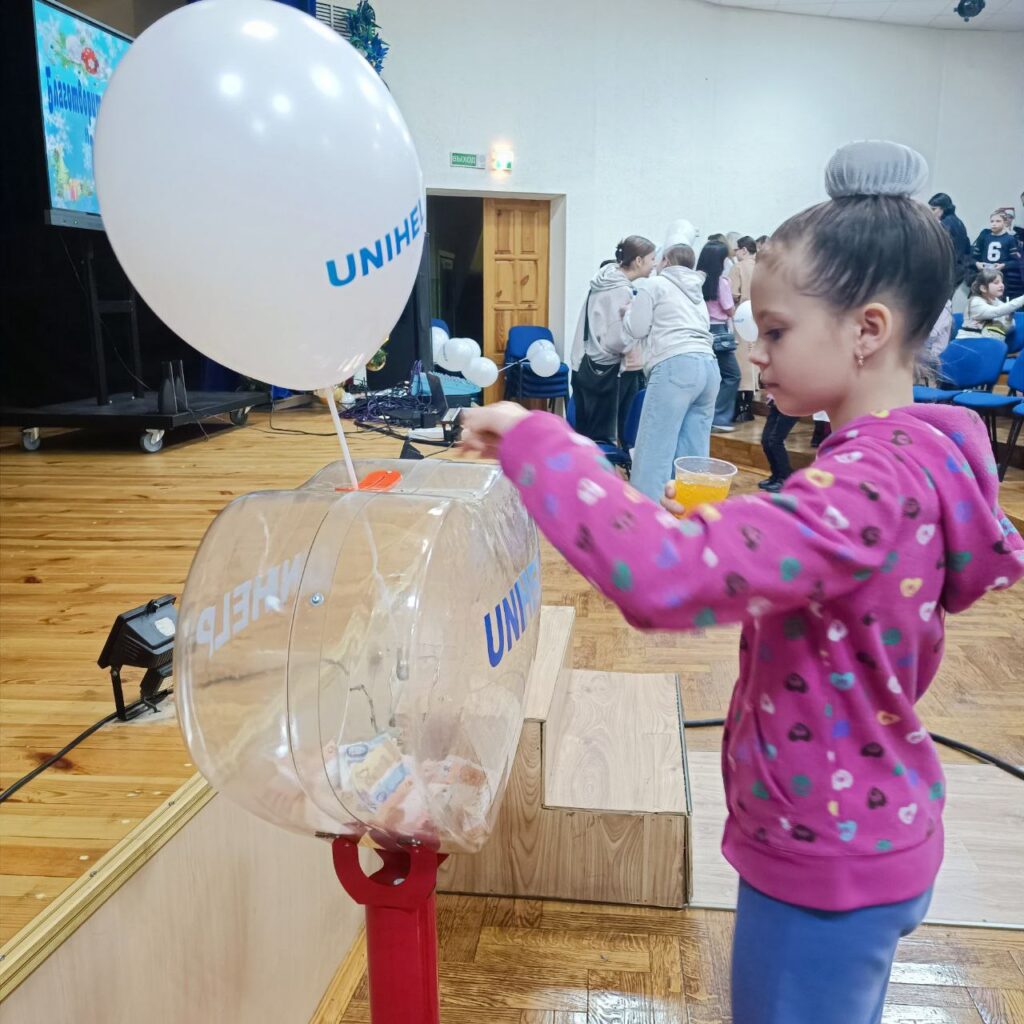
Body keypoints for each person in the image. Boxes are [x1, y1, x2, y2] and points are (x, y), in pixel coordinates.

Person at [460, 139, 1024, 1024]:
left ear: (867, 330)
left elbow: (659, 577)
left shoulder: (870, 484)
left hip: (827, 852)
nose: (755, 352)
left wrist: (539, 443)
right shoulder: (912, 456)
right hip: (859, 829)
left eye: (777, 331)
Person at [619, 244, 719, 500]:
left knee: (654, 448)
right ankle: (691, 510)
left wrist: (628, 313)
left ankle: (645, 515)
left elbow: (638, 328)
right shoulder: (696, 290)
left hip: (675, 365)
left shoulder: (654, 285)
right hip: (709, 366)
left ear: (665, 261)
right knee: (693, 453)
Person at [569, 236, 655, 444]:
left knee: (587, 434)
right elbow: (618, 341)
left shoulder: (602, 282)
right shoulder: (620, 290)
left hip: (586, 363)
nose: (654, 264)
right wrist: (638, 328)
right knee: (603, 438)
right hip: (607, 371)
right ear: (638, 261)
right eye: (652, 259)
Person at [697, 240, 740, 433]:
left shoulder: (696, 281)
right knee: (732, 375)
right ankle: (719, 417)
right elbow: (729, 309)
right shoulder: (721, 282)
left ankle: (707, 416)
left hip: (701, 330)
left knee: (710, 377)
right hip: (719, 331)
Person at [729, 236, 759, 422]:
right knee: (755, 356)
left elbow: (733, 293)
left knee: (742, 358)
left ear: (744, 250)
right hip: (760, 314)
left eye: (736, 250)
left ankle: (741, 406)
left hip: (742, 314)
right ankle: (750, 400)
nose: (735, 254)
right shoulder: (763, 267)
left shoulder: (738, 268)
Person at [957, 269, 1024, 338]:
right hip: (969, 341)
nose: (1002, 285)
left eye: (1002, 282)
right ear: (983, 288)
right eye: (996, 283)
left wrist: (1008, 319)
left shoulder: (997, 302)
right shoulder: (975, 302)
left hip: (989, 342)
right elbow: (996, 312)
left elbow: (1007, 330)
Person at [927, 193, 971, 289]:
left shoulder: (945, 225)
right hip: (959, 269)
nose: (931, 213)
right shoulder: (959, 222)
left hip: (947, 270)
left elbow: (939, 250)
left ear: (943, 208)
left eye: (934, 209)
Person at [758, 397, 798, 492]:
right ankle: (776, 475)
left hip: (793, 403)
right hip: (776, 402)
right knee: (766, 440)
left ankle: (785, 477)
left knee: (775, 441)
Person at [971, 210, 1020, 275]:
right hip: (984, 274)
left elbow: (1016, 261)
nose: (994, 224)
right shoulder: (984, 237)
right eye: (992, 221)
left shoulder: (1010, 239)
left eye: (998, 221)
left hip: (1002, 274)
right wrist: (977, 263)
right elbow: (973, 257)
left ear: (1005, 223)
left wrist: (1004, 265)